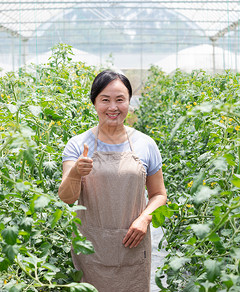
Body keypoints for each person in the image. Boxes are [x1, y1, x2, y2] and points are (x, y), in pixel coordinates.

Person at [58, 70, 167, 291]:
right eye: (105, 100)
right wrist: (76, 172)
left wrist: (145, 219)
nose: (113, 107)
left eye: (120, 100)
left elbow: (159, 194)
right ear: (94, 102)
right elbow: (67, 198)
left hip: (132, 245)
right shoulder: (78, 145)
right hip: (90, 248)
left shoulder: (145, 144)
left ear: (129, 102)